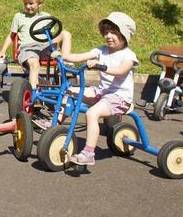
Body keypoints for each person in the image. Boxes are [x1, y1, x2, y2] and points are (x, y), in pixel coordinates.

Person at [53, 12, 139, 166]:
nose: (108, 36)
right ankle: (54, 124)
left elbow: (121, 70)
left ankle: (88, 153)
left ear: (125, 35)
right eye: (106, 32)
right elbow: (76, 57)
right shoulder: (102, 50)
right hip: (101, 92)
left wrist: (102, 66)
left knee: (92, 113)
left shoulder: (128, 55)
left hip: (119, 98)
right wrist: (61, 55)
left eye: (113, 32)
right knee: (69, 91)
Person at [0, 0, 70, 92]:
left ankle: (65, 59)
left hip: (45, 47)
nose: (28, 6)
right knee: (34, 64)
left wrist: (56, 47)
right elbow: (11, 35)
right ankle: (34, 95)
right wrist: (2, 51)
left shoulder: (47, 17)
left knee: (65, 34)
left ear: (40, 3)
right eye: (26, 3)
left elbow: (53, 37)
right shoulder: (19, 17)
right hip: (28, 48)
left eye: (31, 3)